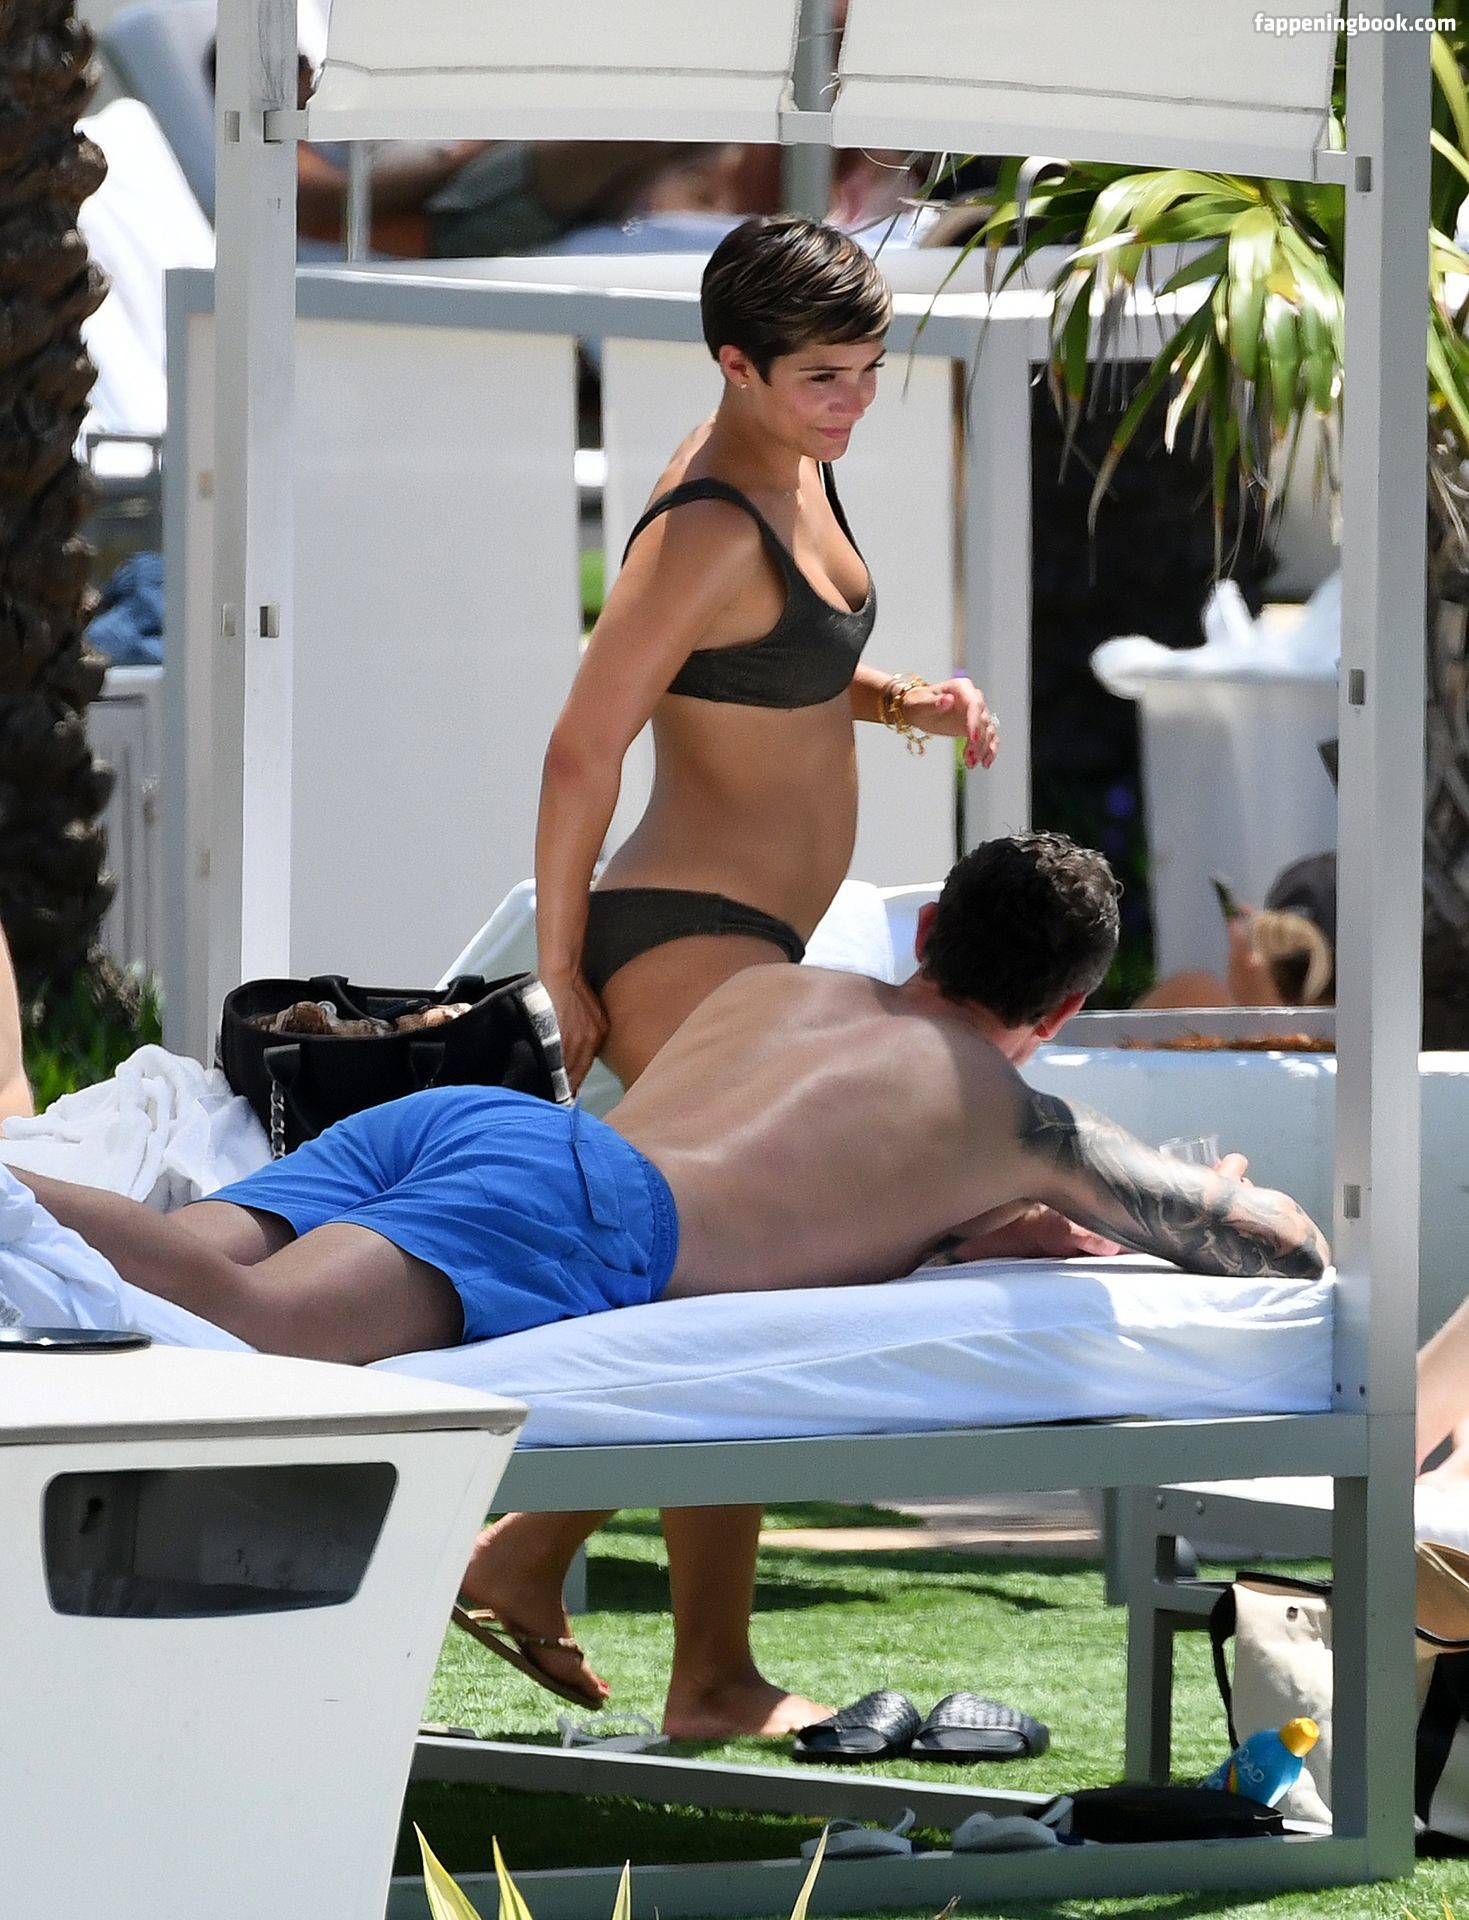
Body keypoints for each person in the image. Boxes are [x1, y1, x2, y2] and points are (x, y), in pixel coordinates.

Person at [10, 835, 1330, 1713]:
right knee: (260, 1330)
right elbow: (1273, 1244)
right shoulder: (1018, 1119)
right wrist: (1212, 1192)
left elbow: (799, 1174)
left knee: (178, 1265)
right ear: (1063, 1012)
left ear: (932, 928)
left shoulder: (782, 987)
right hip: (582, 1201)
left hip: (481, 1124)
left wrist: (968, 1227)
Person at [527, 211, 999, 1734]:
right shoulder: (708, 523)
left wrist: (906, 702)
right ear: (734, 365)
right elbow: (583, 745)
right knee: (753, 1260)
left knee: (737, 1270)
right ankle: (672, 1647)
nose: (852, 402)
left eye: (868, 370)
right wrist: (560, 966)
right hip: (677, 936)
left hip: (750, 943)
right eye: (820, 378)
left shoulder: (799, 463)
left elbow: (773, 668)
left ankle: (592, 1599)